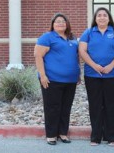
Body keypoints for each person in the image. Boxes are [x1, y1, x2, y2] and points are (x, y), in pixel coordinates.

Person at [79, 7, 114, 146]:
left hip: (112, 75)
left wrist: (111, 66)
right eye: (99, 15)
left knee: (110, 105)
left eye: (104, 15)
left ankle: (110, 136)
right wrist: (94, 66)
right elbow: (82, 50)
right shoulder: (88, 32)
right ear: (95, 18)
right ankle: (95, 137)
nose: (101, 17)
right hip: (92, 75)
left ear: (109, 18)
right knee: (95, 105)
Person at [34, 13, 80, 145]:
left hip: (70, 81)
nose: (61, 23)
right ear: (53, 24)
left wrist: (77, 74)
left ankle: (63, 133)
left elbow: (75, 57)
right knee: (52, 107)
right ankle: (51, 135)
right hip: (51, 80)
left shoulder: (72, 38)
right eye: (57, 21)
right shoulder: (47, 37)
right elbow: (38, 56)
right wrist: (42, 76)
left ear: (67, 24)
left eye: (63, 21)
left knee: (66, 107)